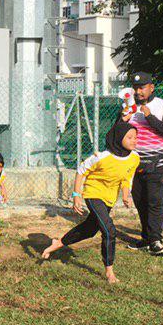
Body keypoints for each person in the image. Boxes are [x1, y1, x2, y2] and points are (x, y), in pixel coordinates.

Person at [42, 121, 139, 283]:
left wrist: (125, 195)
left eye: (136, 137)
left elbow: (127, 178)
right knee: (109, 230)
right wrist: (76, 195)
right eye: (130, 137)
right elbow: (81, 171)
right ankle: (109, 272)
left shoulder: (134, 158)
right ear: (118, 137)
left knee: (89, 229)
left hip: (109, 198)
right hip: (93, 194)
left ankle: (58, 243)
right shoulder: (102, 157)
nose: (134, 140)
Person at [123, 72, 163, 256]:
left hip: (156, 164)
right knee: (140, 202)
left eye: (142, 88)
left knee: (154, 202)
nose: (138, 92)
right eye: (136, 88)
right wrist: (122, 120)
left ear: (151, 88)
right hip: (134, 165)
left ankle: (156, 241)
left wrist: (150, 117)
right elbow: (119, 133)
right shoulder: (129, 107)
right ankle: (146, 239)